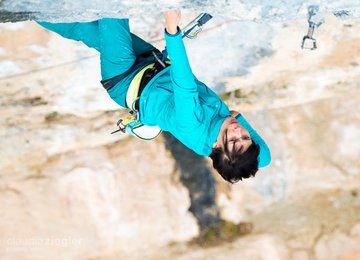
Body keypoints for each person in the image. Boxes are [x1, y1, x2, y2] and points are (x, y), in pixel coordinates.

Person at [36, 10, 271, 183]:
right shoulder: (219, 140)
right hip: (152, 66)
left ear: (218, 147)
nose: (239, 131)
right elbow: (265, 158)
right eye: (246, 138)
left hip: (125, 77)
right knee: (85, 29)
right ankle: (32, 10)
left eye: (233, 140)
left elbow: (184, 81)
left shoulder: (194, 125)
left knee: (113, 8)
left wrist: (172, 29)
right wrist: (238, 126)